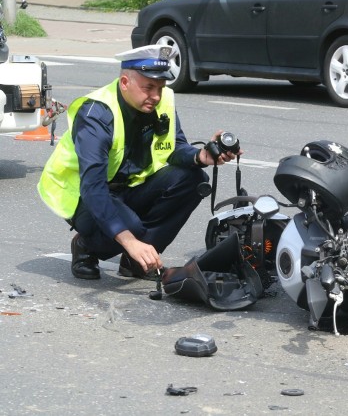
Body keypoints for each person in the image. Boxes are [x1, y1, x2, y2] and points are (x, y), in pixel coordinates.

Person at [38, 45, 238, 280]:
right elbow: (93, 188)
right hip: (85, 195)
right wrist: (130, 241)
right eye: (149, 87)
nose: (156, 96)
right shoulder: (96, 114)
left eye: (161, 88)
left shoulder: (160, 101)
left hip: (130, 185)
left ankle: (136, 262)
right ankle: (86, 246)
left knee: (194, 179)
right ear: (125, 83)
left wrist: (200, 157)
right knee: (130, 229)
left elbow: (173, 147)